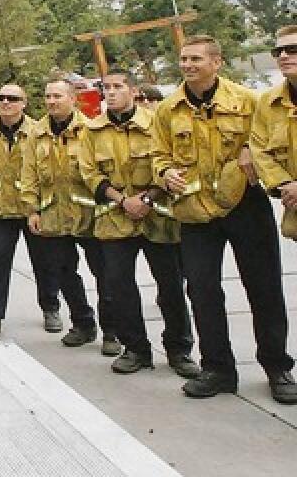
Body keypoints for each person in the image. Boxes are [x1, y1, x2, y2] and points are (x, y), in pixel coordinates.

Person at [153, 35, 295, 403]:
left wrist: (250, 148)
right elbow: (158, 154)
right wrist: (164, 172)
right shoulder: (168, 109)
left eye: (196, 58)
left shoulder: (251, 101)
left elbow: (265, 139)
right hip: (196, 213)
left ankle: (277, 367)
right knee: (202, 291)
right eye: (183, 58)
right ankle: (217, 369)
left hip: (245, 206)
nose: (187, 64)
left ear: (217, 62)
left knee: (264, 289)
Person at [76, 69, 199, 378]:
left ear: (132, 90)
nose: (111, 92)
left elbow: (169, 163)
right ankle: (136, 350)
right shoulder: (92, 131)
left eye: (118, 86)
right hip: (116, 221)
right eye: (107, 88)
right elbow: (89, 172)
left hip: (157, 217)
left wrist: (147, 198)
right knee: (119, 287)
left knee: (170, 287)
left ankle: (179, 350)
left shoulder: (156, 123)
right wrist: (122, 200)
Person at [21, 78, 119, 356]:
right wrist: (32, 210)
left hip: (91, 216)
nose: (52, 101)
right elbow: (28, 175)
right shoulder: (35, 134)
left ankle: (112, 331)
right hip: (54, 216)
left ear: (73, 99)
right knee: (65, 274)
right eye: (48, 96)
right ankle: (82, 324)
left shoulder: (91, 129)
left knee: (105, 275)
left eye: (58, 96)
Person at [0, 84, 61, 342]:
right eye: (2, 98)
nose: (6, 102)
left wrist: (45, 206)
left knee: (44, 261)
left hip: (32, 208)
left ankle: (51, 307)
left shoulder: (37, 131)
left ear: (24, 102)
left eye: (13, 98)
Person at [251, 24, 297, 244]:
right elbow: (259, 150)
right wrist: (285, 184)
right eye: (278, 52)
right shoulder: (268, 103)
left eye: (292, 50)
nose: (284, 56)